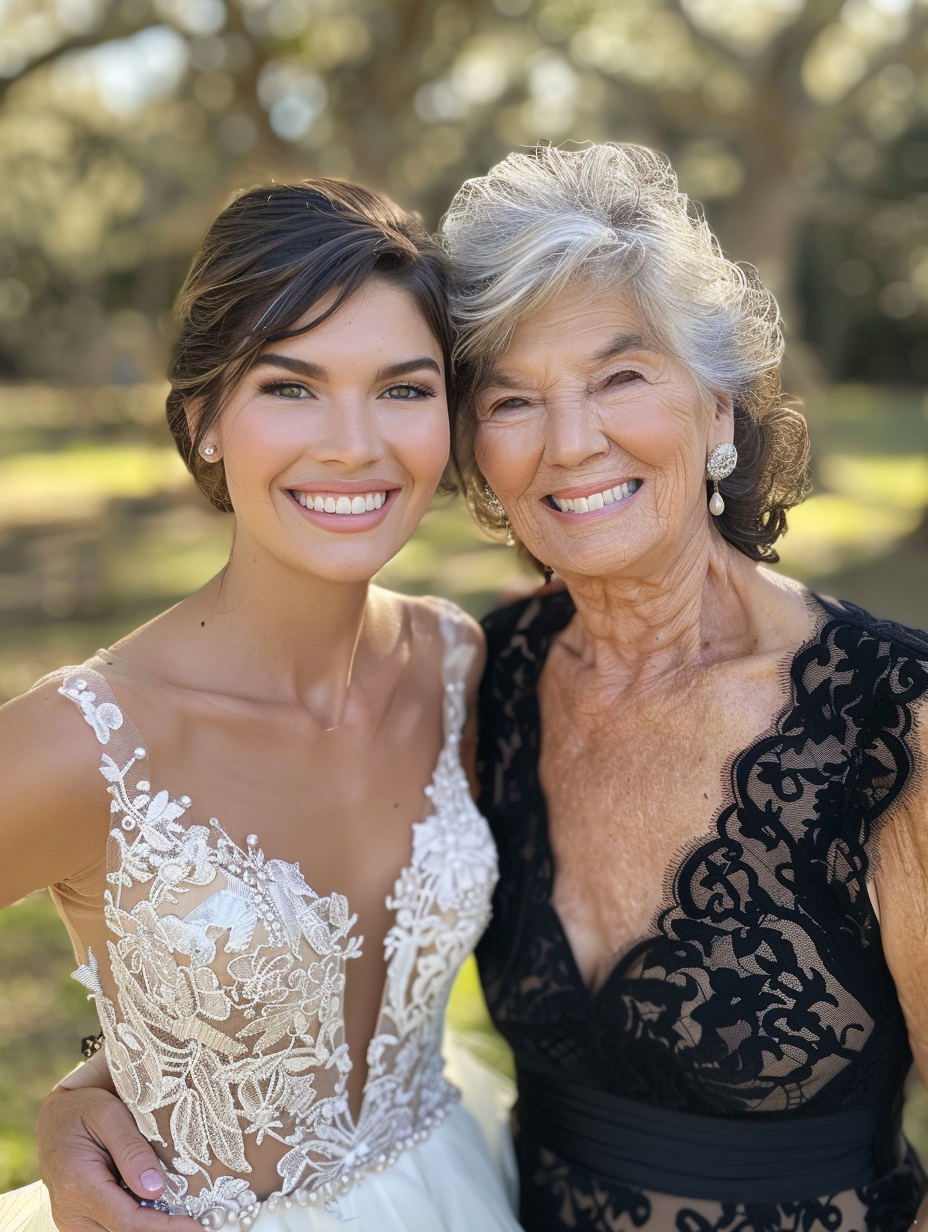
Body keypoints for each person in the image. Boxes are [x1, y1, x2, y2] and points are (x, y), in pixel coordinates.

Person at [30, 141, 928, 1232]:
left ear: (721, 410)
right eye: (512, 400)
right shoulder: (494, 675)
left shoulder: (882, 718)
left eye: (620, 376)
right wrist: (97, 1085)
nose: (571, 442)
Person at [0, 177, 521, 1232]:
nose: (353, 443)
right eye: (291, 387)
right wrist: (92, 1101)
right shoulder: (83, 742)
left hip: (457, 1181)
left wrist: (99, 1075)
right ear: (202, 422)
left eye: (403, 388)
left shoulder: (458, 662)